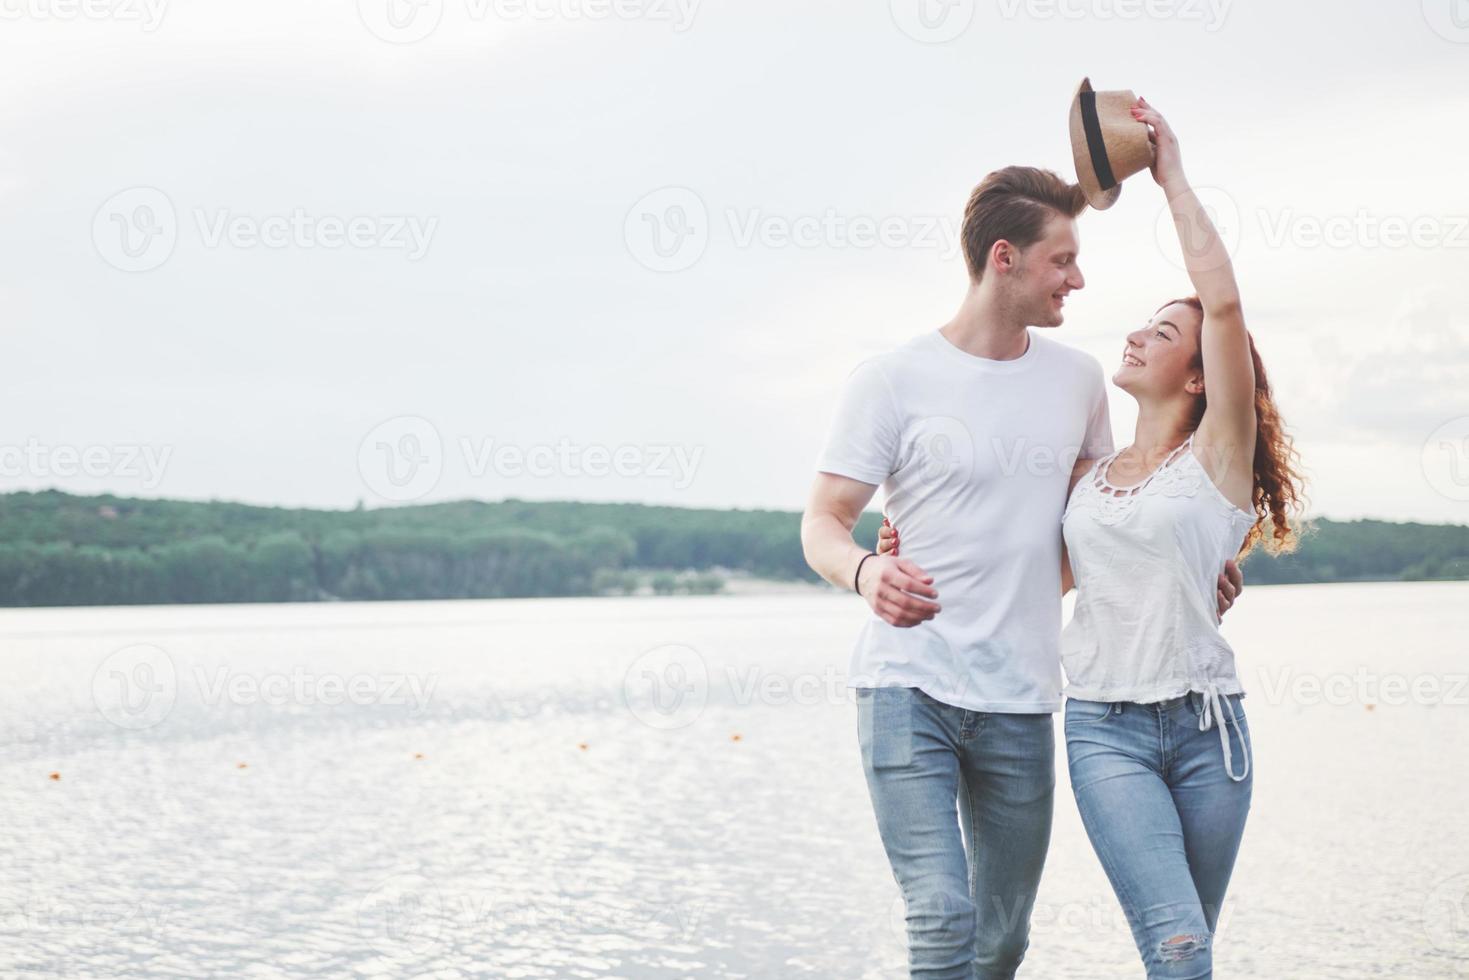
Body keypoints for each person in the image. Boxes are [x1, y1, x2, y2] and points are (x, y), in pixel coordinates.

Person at [876, 97, 1306, 978]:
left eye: (1164, 333)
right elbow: (1009, 538)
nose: (1138, 334)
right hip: (1104, 726)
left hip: (1206, 730)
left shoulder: (1217, 458)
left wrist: (1169, 176)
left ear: (1196, 377)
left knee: (1188, 949)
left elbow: (1221, 305)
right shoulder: (1089, 478)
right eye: (1145, 320)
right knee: (1178, 943)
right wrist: (901, 544)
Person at [801, 162, 1244, 979]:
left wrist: (1184, 569)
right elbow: (822, 524)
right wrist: (865, 572)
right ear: (1003, 258)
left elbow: (1106, 529)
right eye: (1062, 260)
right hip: (907, 688)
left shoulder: (1076, 381)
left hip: (1022, 701)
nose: (1077, 278)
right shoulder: (891, 380)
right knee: (940, 915)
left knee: (1001, 939)